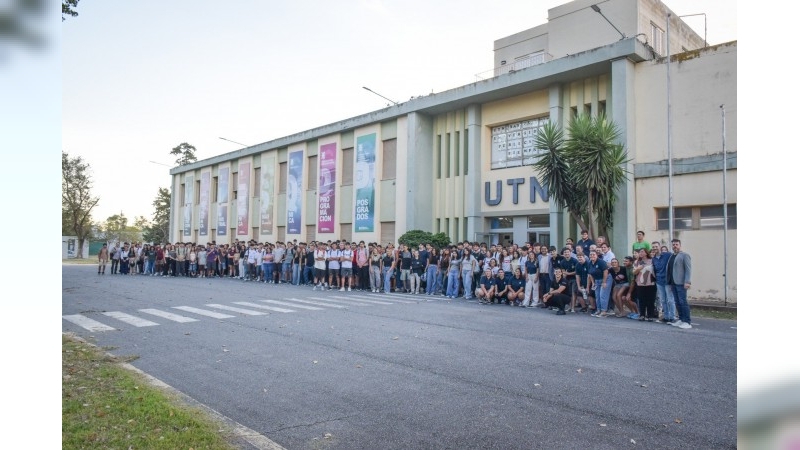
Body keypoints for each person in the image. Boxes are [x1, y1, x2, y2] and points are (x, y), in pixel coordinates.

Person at [667, 239, 693, 329]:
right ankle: (681, 319)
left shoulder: (685, 255)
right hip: (673, 283)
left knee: (683, 302)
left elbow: (688, 270)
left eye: (676, 244)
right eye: (673, 244)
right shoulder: (672, 256)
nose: (675, 246)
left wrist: (687, 281)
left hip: (681, 283)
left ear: (680, 245)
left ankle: (687, 321)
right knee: (677, 302)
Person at [651, 244, 675, 324]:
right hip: (659, 281)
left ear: (659, 247)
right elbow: (654, 270)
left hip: (668, 281)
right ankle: (666, 316)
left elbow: (673, 263)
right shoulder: (654, 259)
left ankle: (672, 317)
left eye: (656, 246)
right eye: (653, 247)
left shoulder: (667, 255)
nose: (655, 248)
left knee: (670, 300)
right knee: (663, 300)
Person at [632, 248, 657, 321]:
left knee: (650, 300)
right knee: (641, 300)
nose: (641, 253)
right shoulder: (637, 262)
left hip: (651, 283)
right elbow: (634, 272)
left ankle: (650, 315)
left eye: (642, 252)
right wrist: (639, 268)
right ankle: (642, 315)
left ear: (646, 253)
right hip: (640, 283)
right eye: (640, 252)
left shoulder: (652, 260)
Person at [587, 250, 610, 317]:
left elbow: (605, 271)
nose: (592, 256)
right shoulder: (589, 263)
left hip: (606, 279)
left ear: (597, 255)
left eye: (593, 254)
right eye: (591, 254)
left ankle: (604, 311)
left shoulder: (601, 262)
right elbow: (590, 274)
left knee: (603, 295)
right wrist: (593, 283)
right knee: (597, 296)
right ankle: (598, 310)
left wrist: (604, 282)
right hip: (597, 280)